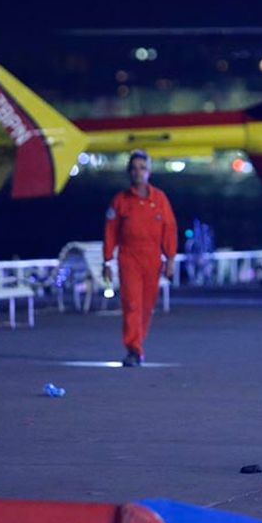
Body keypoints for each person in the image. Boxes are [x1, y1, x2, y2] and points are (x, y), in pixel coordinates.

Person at [103, 150, 178, 367]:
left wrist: (170, 259)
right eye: (134, 169)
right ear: (129, 172)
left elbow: (169, 229)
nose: (138, 173)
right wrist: (107, 261)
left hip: (153, 258)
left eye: (142, 168)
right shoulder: (120, 201)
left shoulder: (160, 199)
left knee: (146, 306)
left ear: (149, 172)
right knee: (132, 304)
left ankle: (138, 344)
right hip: (129, 258)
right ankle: (133, 348)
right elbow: (110, 231)